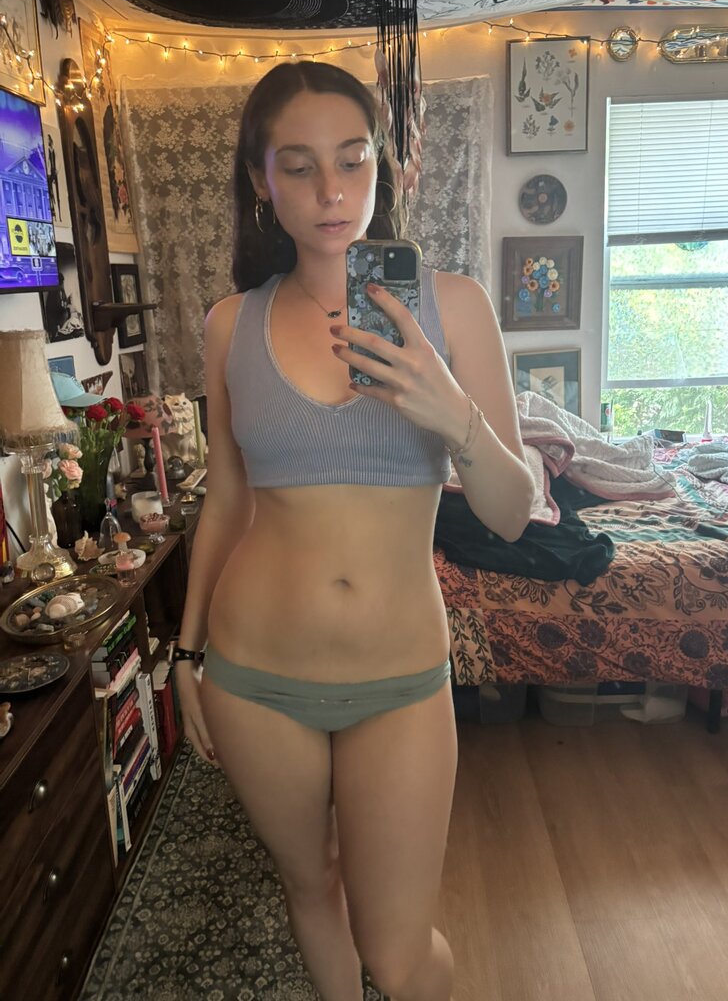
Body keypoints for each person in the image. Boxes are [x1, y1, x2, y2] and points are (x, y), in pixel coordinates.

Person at [172, 61, 535, 1001]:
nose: (331, 191)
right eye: (298, 167)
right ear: (261, 181)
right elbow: (226, 499)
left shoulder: (454, 308)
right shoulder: (230, 325)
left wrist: (454, 416)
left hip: (399, 680)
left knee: (401, 956)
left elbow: (512, 512)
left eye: (352, 158)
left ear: (385, 165)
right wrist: (186, 653)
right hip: (254, 672)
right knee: (312, 885)